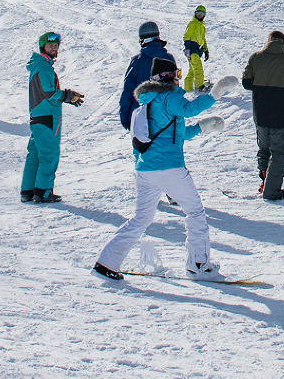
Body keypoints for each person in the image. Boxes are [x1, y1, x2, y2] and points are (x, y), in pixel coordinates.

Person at [93, 53, 222, 280]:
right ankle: (198, 264)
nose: (177, 79)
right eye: (175, 74)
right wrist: (215, 94)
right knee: (195, 212)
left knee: (140, 218)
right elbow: (189, 110)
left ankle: (107, 262)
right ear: (165, 76)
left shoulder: (145, 102)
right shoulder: (168, 97)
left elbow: (171, 134)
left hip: (145, 170)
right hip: (169, 168)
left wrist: (201, 128)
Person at [242, 29, 284, 199]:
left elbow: (246, 83)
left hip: (261, 113)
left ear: (268, 41)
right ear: (283, 42)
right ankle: (271, 191)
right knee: (279, 152)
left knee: (264, 148)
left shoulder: (256, 57)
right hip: (282, 113)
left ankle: (264, 181)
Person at [22, 32, 83, 202]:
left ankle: (28, 191)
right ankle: (43, 191)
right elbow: (49, 92)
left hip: (38, 115)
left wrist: (66, 97)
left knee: (34, 154)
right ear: (43, 47)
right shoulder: (43, 66)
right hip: (47, 116)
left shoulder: (38, 65)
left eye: (56, 45)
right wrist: (67, 95)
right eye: (50, 45)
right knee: (49, 155)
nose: (54, 48)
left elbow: (45, 91)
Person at [118, 22, 173, 131]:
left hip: (140, 118)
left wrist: (126, 118)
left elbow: (128, 90)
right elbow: (174, 88)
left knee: (143, 147)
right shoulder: (169, 59)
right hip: (165, 119)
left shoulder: (137, 61)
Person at [182, 6, 209, 91]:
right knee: (198, 68)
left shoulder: (202, 26)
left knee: (192, 71)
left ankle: (188, 89)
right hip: (192, 49)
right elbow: (186, 37)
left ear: (204, 15)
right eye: (198, 13)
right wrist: (187, 50)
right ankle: (200, 87)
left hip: (198, 50)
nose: (199, 15)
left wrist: (206, 51)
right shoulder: (192, 23)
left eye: (201, 14)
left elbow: (203, 39)